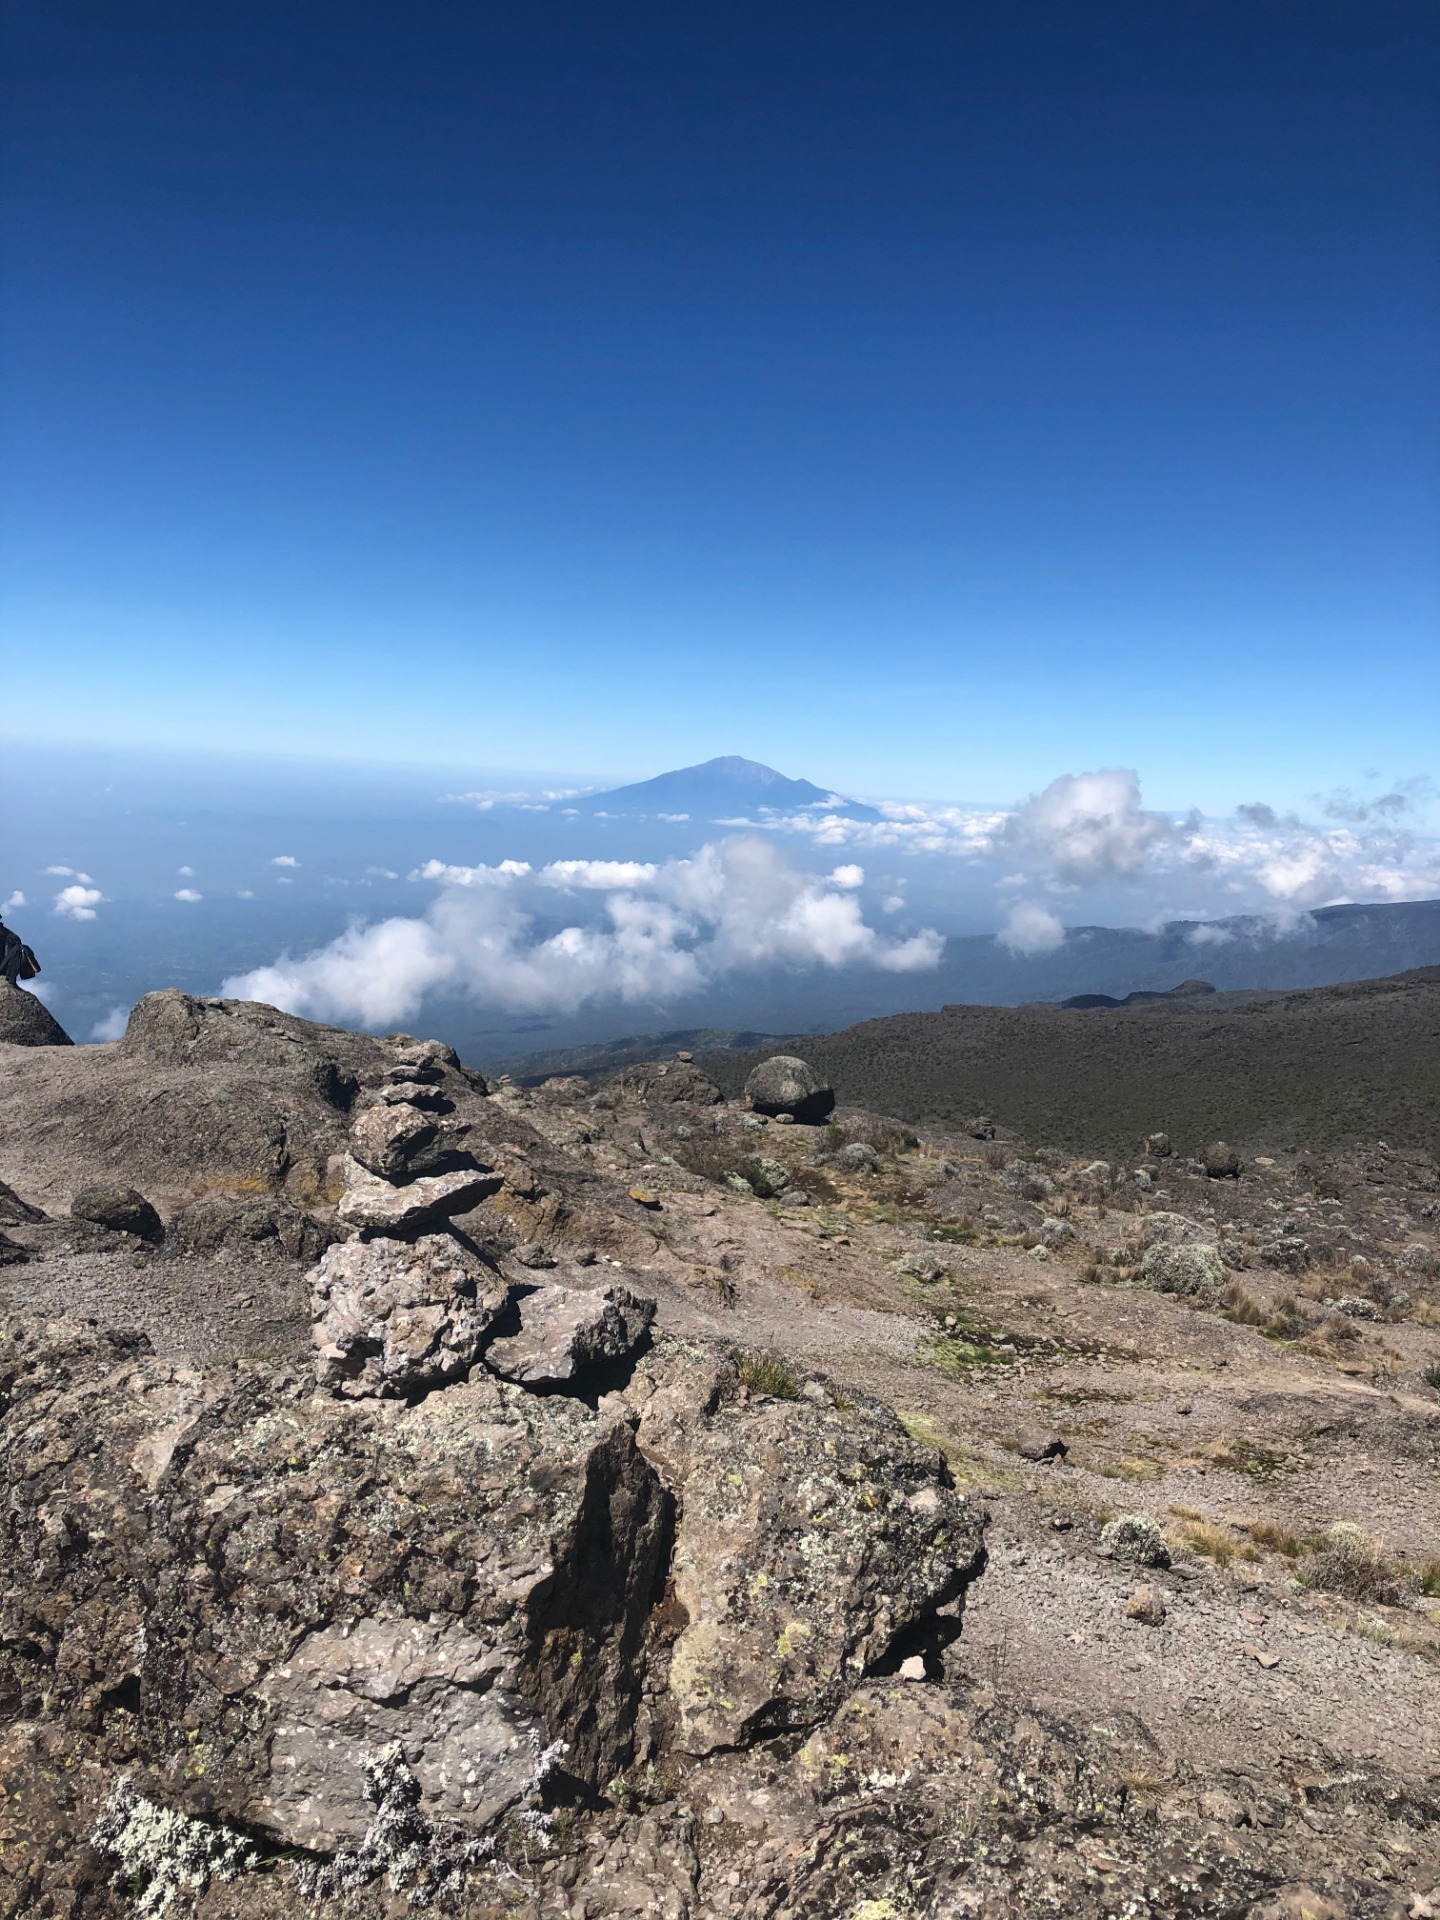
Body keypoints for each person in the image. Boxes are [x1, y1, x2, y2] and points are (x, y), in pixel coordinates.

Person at [0, 916, 37, 988]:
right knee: (19, 948)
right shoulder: (10, 935)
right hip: (5, 970)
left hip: (3, 969)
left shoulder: (9, 936)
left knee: (19, 948)